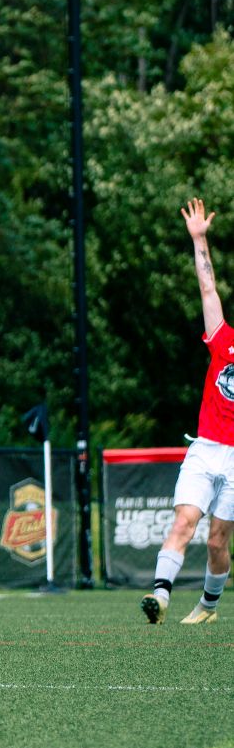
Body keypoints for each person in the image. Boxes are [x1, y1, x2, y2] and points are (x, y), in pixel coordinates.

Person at [142, 197, 234, 625]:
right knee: (184, 521)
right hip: (205, 447)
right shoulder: (224, 339)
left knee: (217, 542)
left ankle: (208, 606)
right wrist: (199, 239)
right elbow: (208, 289)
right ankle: (160, 597)